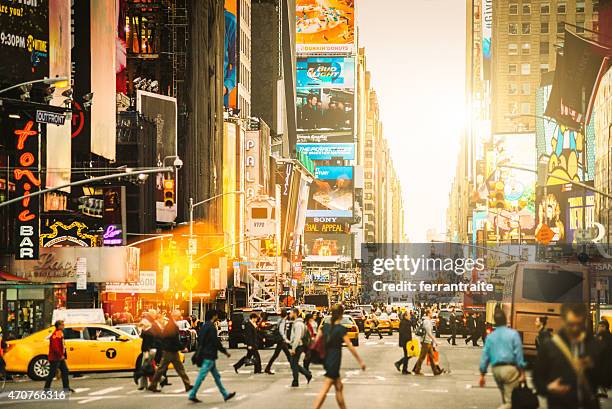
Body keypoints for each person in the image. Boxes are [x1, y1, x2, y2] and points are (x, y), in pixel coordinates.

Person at [534, 303, 610, 409]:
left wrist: (595, 364)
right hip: (559, 404)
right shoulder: (550, 347)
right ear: (564, 322)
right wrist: (548, 388)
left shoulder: (595, 346)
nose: (575, 329)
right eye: (571, 324)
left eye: (579, 324)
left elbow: (606, 380)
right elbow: (537, 379)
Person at [313, 304, 365, 409]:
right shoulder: (340, 329)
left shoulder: (325, 327)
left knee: (339, 387)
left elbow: (316, 342)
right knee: (326, 388)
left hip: (327, 358)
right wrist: (360, 361)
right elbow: (350, 346)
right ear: (341, 314)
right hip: (334, 359)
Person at [478, 309, 526, 409]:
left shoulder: (491, 337)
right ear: (505, 320)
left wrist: (482, 374)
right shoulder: (513, 334)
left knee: (505, 396)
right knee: (510, 402)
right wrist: (522, 372)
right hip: (510, 370)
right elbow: (519, 354)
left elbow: (485, 356)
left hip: (496, 370)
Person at [188, 310, 236, 403]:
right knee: (201, 376)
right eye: (216, 315)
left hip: (207, 354)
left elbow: (200, 339)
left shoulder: (204, 326)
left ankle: (225, 394)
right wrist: (225, 352)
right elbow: (216, 342)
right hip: (209, 355)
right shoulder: (211, 327)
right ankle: (192, 394)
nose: (217, 317)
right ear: (214, 316)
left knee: (216, 376)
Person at [148, 310, 192, 393]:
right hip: (170, 350)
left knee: (178, 368)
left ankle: (187, 385)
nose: (180, 317)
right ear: (176, 316)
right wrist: (182, 347)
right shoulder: (172, 325)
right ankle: (153, 385)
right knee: (164, 369)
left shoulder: (171, 324)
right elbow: (173, 338)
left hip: (171, 350)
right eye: (179, 316)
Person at [412, 309, 442, 376]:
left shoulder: (428, 321)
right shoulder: (426, 322)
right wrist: (435, 341)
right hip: (425, 341)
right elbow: (429, 333)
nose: (432, 314)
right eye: (431, 313)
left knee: (432, 357)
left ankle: (435, 371)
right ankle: (417, 370)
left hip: (428, 341)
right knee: (422, 356)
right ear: (428, 314)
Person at [44, 320, 71, 392]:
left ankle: (66, 388)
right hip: (55, 358)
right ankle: (46, 389)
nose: (63, 326)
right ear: (58, 326)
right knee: (52, 373)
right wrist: (60, 354)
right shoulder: (56, 334)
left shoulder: (60, 333)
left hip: (59, 357)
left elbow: (61, 345)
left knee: (65, 371)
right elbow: (55, 347)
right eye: (62, 325)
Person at [288, 308, 312, 387]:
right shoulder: (299, 323)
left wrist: (293, 348)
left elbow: (297, 337)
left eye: (291, 313)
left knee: (294, 364)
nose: (290, 314)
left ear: (295, 313)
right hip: (299, 345)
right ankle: (307, 374)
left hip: (298, 346)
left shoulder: (298, 324)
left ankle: (296, 381)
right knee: (293, 364)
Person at [264, 308, 292, 374]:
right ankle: (295, 367)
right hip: (281, 340)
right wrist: (285, 339)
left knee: (280, 355)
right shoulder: (283, 321)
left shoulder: (280, 320)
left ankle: (267, 368)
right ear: (286, 315)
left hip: (280, 340)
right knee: (285, 354)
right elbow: (281, 331)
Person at [596, 319, 612, 398]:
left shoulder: (607, 337)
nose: (599, 328)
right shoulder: (600, 336)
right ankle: (602, 390)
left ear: (606, 327)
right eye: (598, 326)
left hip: (606, 362)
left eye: (601, 326)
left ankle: (603, 390)